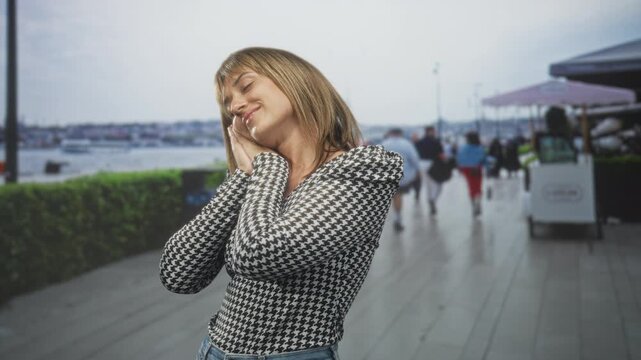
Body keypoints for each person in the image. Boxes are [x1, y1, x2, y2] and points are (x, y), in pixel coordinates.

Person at [159, 47, 402, 360]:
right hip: (212, 351)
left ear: (295, 82)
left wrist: (267, 166)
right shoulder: (260, 177)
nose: (235, 106)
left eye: (245, 86)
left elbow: (257, 254)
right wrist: (246, 176)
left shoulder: (364, 169)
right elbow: (179, 273)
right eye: (228, 103)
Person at [381, 128, 421, 231]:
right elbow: (414, 159)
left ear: (390, 133)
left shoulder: (384, 144)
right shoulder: (407, 144)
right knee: (398, 196)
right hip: (401, 176)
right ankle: (398, 219)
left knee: (392, 196)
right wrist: (418, 171)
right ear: (400, 134)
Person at [415, 126, 445, 215]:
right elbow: (441, 154)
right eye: (433, 131)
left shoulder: (419, 142)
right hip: (433, 164)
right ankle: (433, 200)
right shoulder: (436, 142)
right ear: (430, 132)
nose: (435, 132)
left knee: (428, 185)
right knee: (438, 184)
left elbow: (415, 155)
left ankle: (430, 201)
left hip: (422, 164)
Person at [457, 131, 487, 217]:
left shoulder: (463, 148)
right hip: (477, 169)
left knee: (471, 187)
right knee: (478, 186)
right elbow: (483, 159)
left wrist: (460, 169)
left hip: (467, 169)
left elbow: (459, 159)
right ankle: (478, 202)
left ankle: (474, 205)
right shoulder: (480, 148)